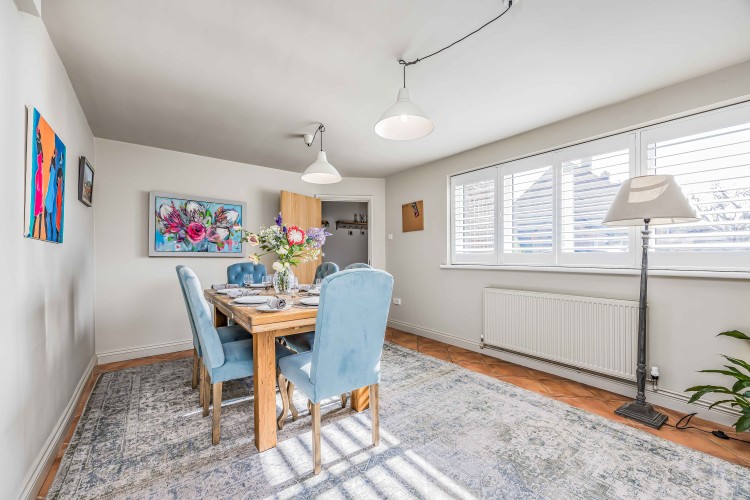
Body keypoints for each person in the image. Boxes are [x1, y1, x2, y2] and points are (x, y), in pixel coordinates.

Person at [32, 127, 44, 238]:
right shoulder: (39, 146)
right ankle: (34, 232)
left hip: (41, 176)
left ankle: (38, 234)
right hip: (39, 177)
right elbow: (38, 144)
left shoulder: (41, 149)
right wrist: (37, 136)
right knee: (38, 207)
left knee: (40, 208)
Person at [44, 147, 58, 241]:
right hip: (51, 190)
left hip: (50, 190)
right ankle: (51, 236)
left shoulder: (53, 164)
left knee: (47, 215)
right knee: (49, 216)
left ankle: (49, 236)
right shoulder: (54, 165)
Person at [55, 151, 64, 242]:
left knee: (58, 212)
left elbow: (58, 183)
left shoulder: (59, 171)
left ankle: (57, 231)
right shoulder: (60, 171)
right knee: (59, 212)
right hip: (59, 194)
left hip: (59, 194)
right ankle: (58, 231)